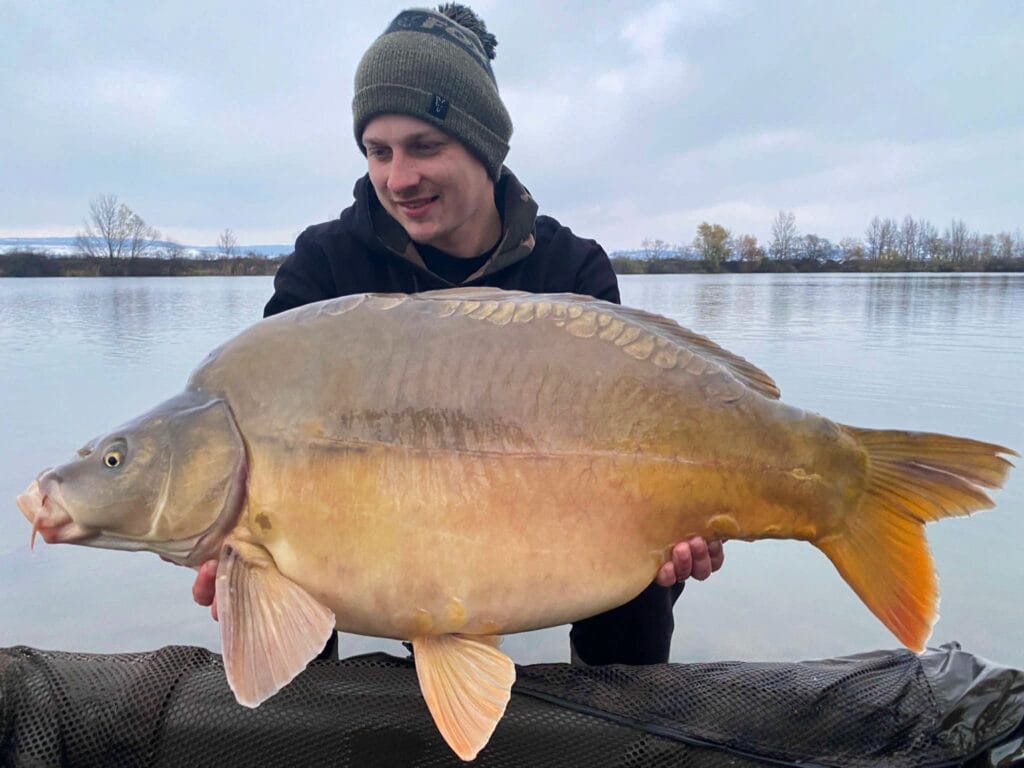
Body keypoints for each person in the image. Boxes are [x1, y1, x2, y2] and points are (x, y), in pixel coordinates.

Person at [190, 3, 724, 666]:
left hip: (552, 513)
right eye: (377, 151)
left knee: (644, 560)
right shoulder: (326, 268)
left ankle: (618, 725)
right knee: (280, 545)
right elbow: (267, 430)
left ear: (483, 145)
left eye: (424, 147)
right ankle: (318, 730)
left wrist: (685, 525)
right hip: (372, 526)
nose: (398, 178)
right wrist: (231, 549)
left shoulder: (570, 268)